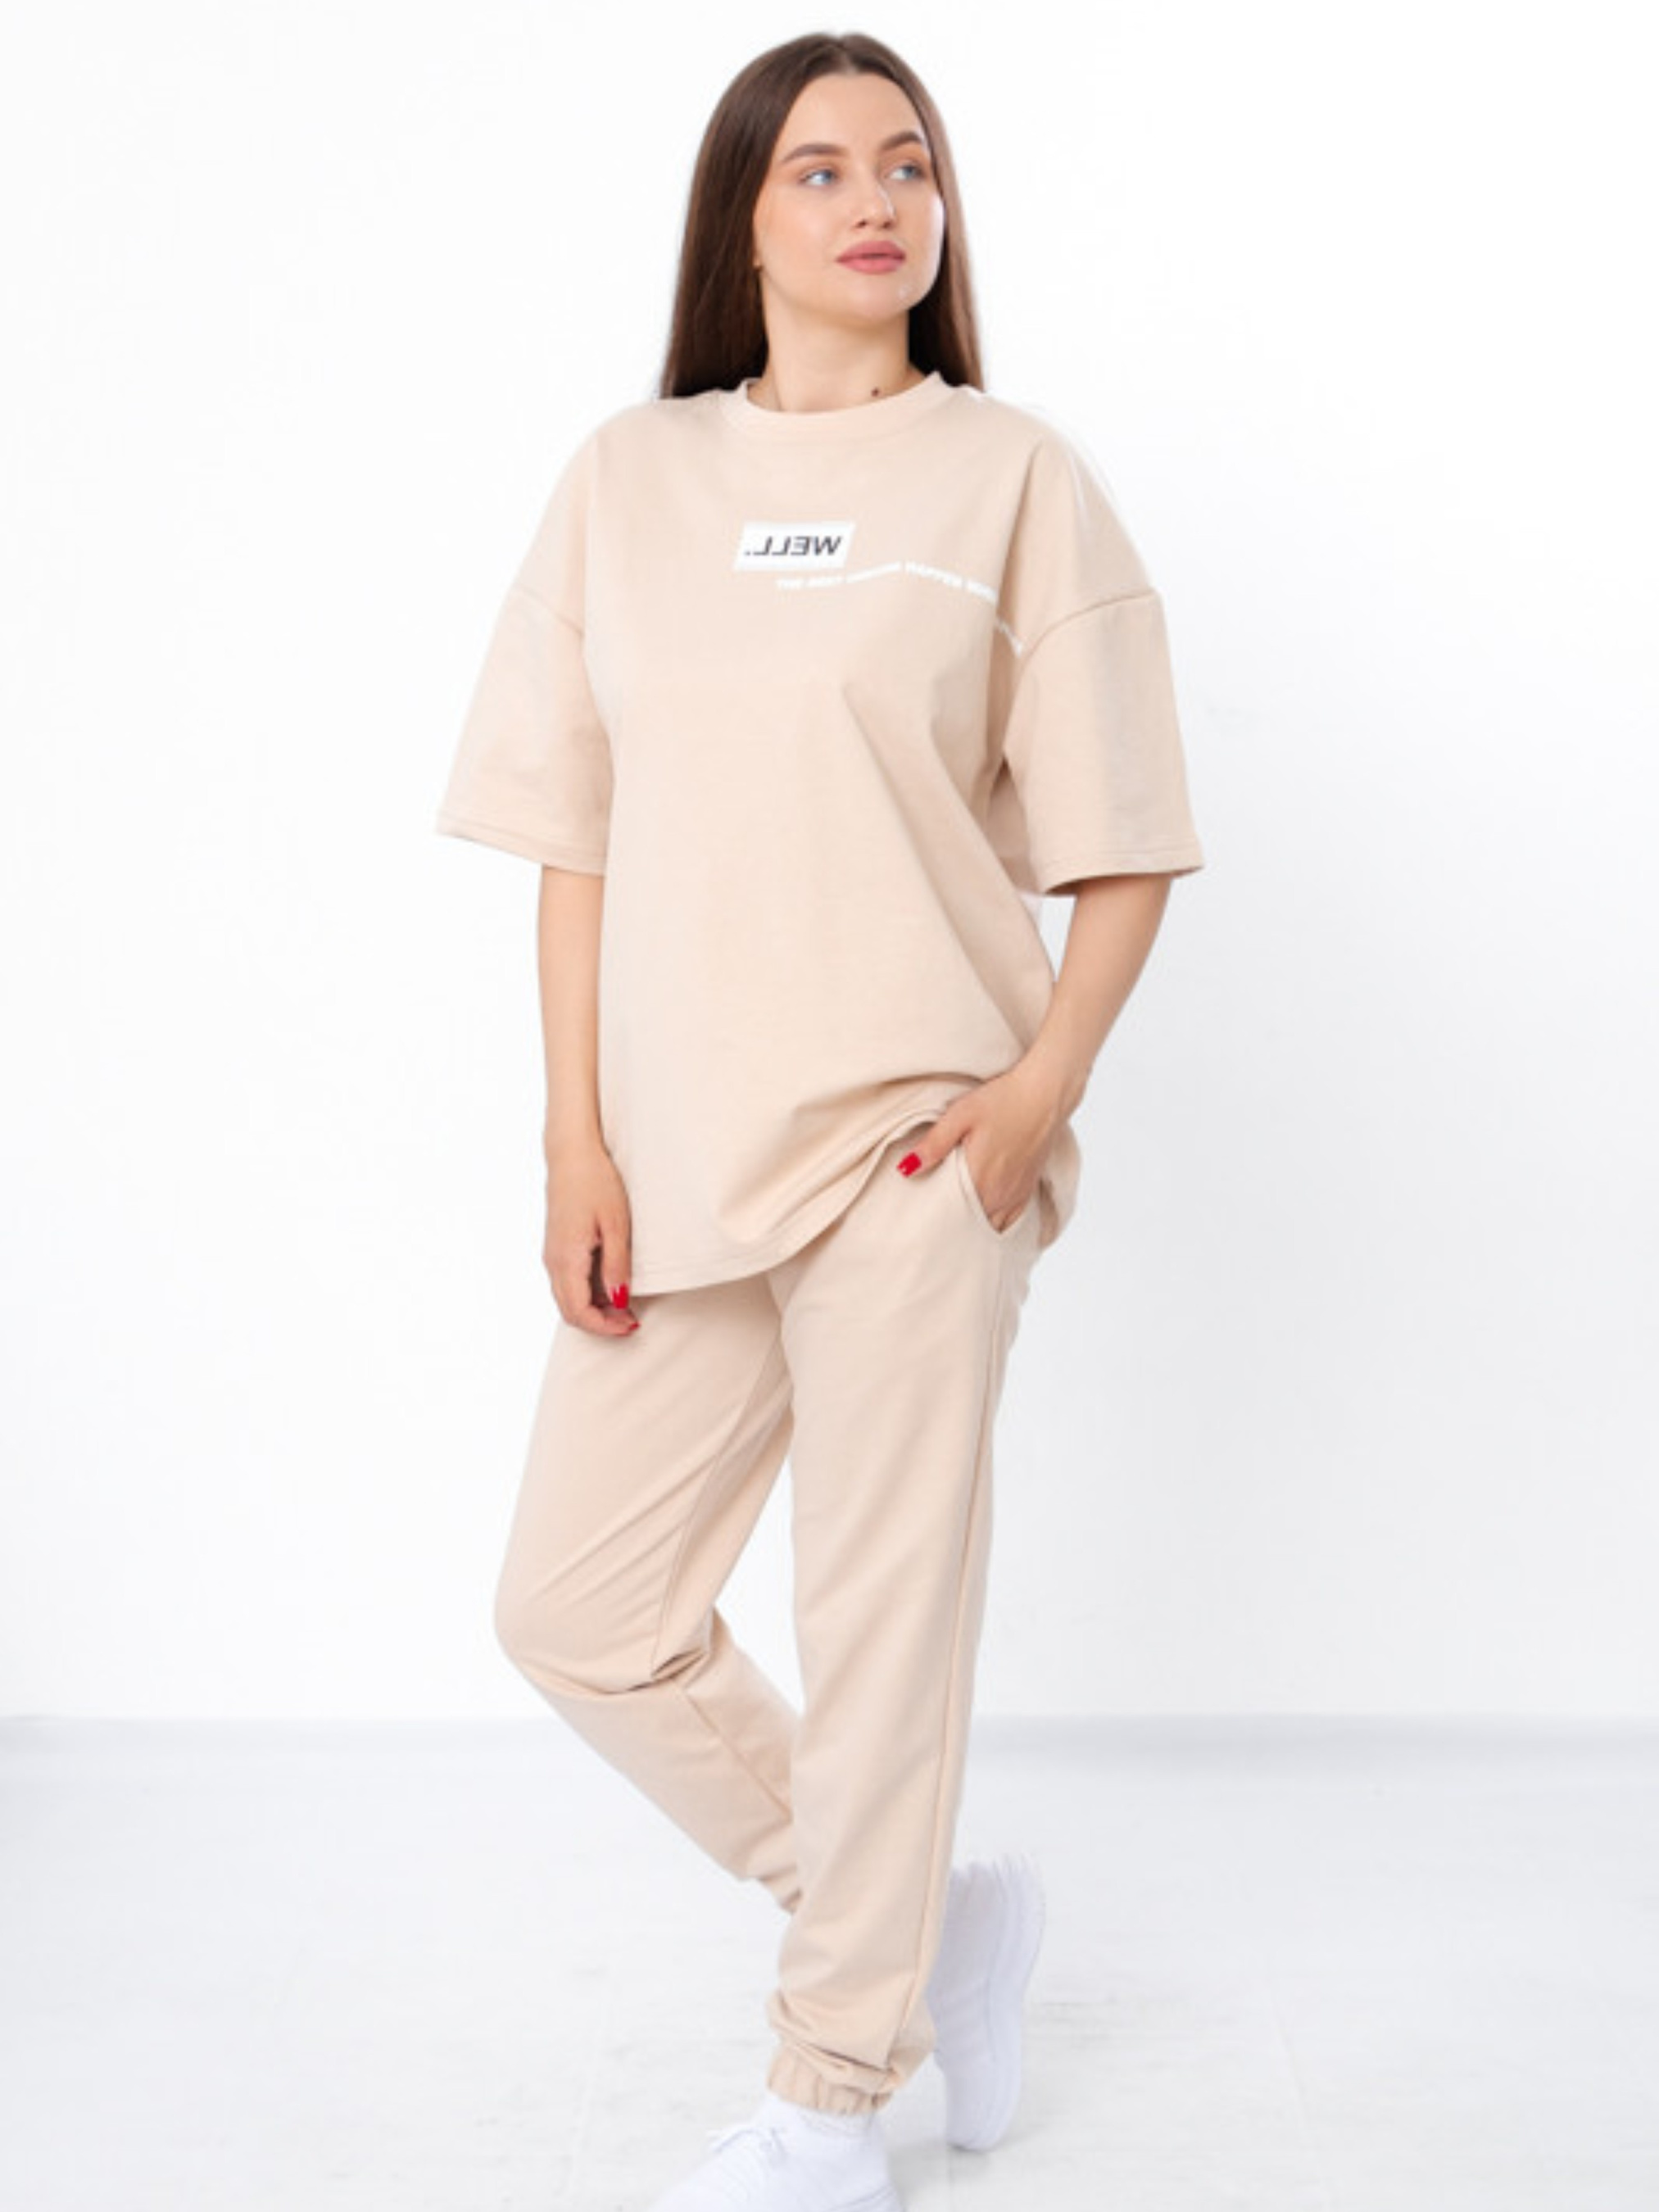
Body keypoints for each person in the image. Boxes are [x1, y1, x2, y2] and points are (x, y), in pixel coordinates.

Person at [435, 29, 1203, 2212]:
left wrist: (1034, 1096)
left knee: (879, 1636)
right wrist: (573, 1144)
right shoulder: (625, 480)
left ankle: (828, 2102)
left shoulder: (1013, 479)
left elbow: (1123, 834)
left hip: (913, 1152)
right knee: (577, 1608)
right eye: (820, 171)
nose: (876, 202)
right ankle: (926, 1932)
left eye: (908, 167)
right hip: (678, 1157)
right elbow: (572, 839)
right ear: (744, 220)